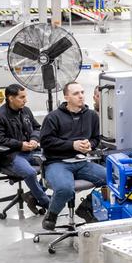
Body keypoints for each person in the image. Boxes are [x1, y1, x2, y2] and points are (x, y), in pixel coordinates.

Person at [39, 81, 106, 231]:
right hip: (57, 162)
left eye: (82, 92)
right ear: (66, 97)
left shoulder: (92, 116)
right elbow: (45, 141)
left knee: (112, 179)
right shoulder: (53, 117)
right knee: (65, 188)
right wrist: (72, 145)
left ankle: (85, 207)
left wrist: (90, 145)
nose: (81, 96)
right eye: (76, 94)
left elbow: (96, 138)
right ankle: (52, 215)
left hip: (82, 161)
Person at [0, 84, 51, 213]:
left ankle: (32, 196)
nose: (25, 100)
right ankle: (45, 201)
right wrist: (20, 145)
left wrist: (34, 140)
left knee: (54, 162)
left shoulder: (26, 111)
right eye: (21, 97)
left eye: (25, 97)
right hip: (11, 156)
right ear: (10, 98)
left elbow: (36, 128)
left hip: (30, 151)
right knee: (30, 173)